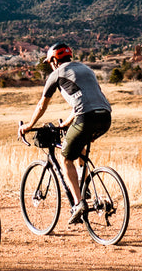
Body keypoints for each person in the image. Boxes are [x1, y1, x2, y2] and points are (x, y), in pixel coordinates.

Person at [18, 44, 112, 218]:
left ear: (54, 60)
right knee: (80, 148)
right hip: (105, 117)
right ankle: (85, 188)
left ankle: (78, 203)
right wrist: (67, 123)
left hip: (86, 118)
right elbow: (87, 99)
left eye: (50, 62)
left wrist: (29, 125)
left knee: (66, 159)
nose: (50, 65)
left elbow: (42, 105)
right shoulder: (86, 69)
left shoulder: (57, 74)